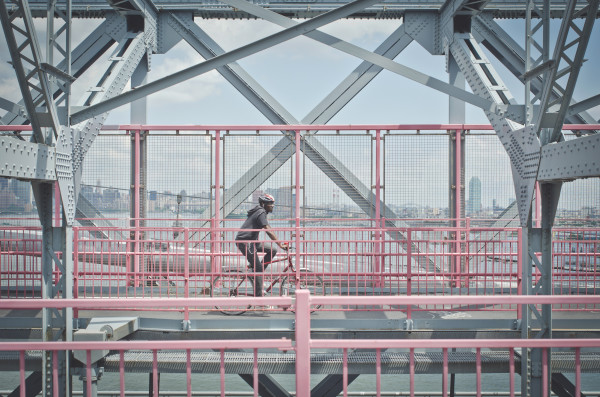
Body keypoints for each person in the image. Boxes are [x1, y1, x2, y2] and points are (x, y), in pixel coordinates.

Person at [235, 194, 289, 299]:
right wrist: (280, 244)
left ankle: (256, 272)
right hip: (245, 242)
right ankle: (259, 298)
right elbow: (267, 229)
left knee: (272, 250)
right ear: (263, 204)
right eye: (270, 204)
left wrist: (278, 245)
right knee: (259, 268)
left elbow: (267, 227)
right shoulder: (261, 212)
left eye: (273, 203)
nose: (272, 206)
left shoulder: (260, 211)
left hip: (253, 242)